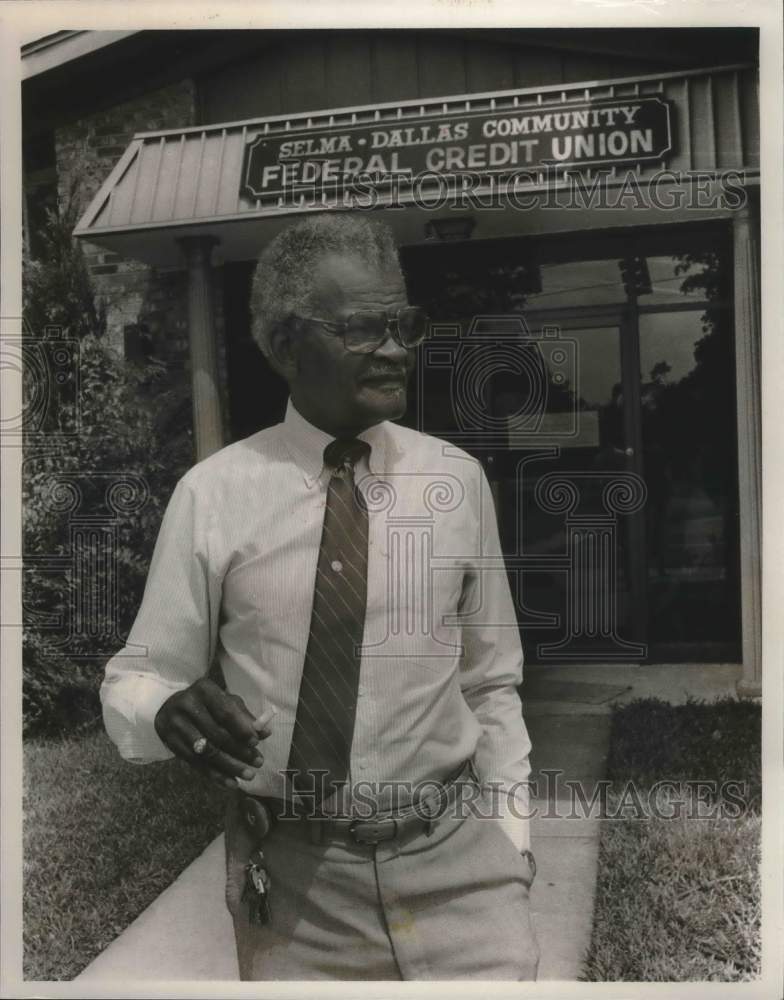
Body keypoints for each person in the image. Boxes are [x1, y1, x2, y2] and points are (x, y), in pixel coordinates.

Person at [101, 213, 539, 981]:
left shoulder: (456, 481)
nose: (396, 349)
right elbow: (137, 677)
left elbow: (490, 679)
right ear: (285, 345)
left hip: (463, 873)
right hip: (294, 889)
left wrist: (513, 835)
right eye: (363, 329)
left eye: (402, 324)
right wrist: (162, 709)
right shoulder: (214, 495)